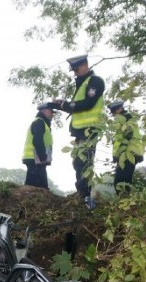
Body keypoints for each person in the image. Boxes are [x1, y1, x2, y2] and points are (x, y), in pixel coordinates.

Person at [53, 54, 105, 209]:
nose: (75, 73)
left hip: (90, 130)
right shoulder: (82, 84)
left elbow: (87, 104)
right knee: (78, 163)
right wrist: (60, 105)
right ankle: (82, 194)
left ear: (86, 65)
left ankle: (87, 197)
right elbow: (76, 106)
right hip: (80, 132)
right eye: (73, 70)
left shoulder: (95, 81)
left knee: (86, 163)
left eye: (77, 69)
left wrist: (66, 105)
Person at [107, 99, 143, 194]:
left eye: (114, 112)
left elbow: (127, 137)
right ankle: (125, 201)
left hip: (129, 153)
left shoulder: (127, 120)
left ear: (119, 109)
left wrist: (118, 154)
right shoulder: (124, 121)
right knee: (125, 179)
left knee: (120, 180)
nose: (113, 115)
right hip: (128, 153)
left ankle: (124, 201)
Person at [21, 102, 56, 189]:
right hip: (35, 159)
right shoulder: (39, 122)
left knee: (39, 187)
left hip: (37, 160)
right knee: (36, 187)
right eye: (51, 112)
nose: (53, 115)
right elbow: (37, 141)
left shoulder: (42, 123)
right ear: (44, 111)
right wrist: (43, 157)